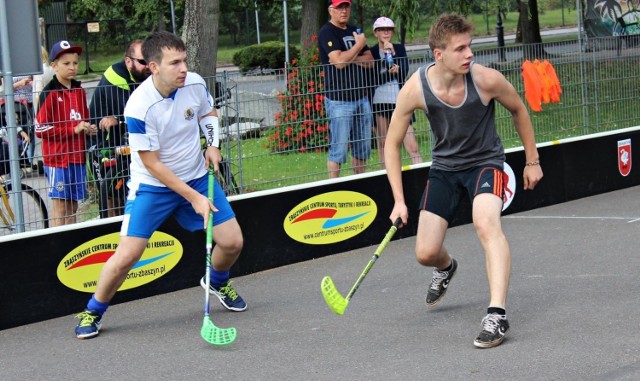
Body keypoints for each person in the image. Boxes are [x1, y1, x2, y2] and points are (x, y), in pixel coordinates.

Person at [74, 31, 247, 340]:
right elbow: (152, 163)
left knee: (233, 242)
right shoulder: (139, 107)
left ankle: (217, 281)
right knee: (127, 255)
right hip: (153, 186)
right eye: (174, 63)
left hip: (195, 174)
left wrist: (213, 144)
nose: (183, 68)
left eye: (184, 61)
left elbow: (208, 112)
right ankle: (94, 310)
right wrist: (194, 197)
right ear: (153, 66)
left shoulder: (193, 83)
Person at [385, 14, 543, 348]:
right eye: (460, 49)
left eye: (469, 46)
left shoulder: (486, 79)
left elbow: (519, 110)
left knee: (486, 225)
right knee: (425, 253)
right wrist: (399, 200)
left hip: (485, 163)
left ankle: (496, 315)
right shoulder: (416, 89)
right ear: (438, 54)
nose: (469, 54)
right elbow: (392, 144)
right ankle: (446, 267)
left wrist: (532, 161)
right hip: (444, 168)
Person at [35, 40, 97, 227]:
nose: (72, 67)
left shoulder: (79, 90)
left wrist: (89, 128)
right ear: (54, 66)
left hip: (77, 157)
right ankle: (56, 244)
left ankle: (70, 244)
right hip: (58, 159)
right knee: (60, 206)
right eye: (66, 63)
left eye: (75, 63)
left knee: (73, 206)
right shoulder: (49, 93)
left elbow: (84, 119)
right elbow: (39, 129)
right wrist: (73, 129)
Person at [88, 39, 151, 217]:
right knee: (113, 198)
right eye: (142, 62)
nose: (147, 66)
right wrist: (116, 117)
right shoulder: (115, 77)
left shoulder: (144, 75)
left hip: (129, 140)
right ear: (128, 61)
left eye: (150, 60)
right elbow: (135, 111)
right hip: (105, 143)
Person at [317, 0, 374, 178]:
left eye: (346, 7)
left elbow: (370, 61)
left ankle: (359, 184)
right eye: (339, 7)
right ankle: (335, 188)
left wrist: (348, 57)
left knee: (362, 147)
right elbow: (339, 62)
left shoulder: (354, 30)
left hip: (361, 98)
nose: (344, 11)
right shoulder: (327, 32)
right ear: (330, 10)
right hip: (339, 100)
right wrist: (358, 46)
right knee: (339, 148)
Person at [369, 16, 422, 168]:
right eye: (382, 30)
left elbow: (403, 72)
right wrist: (388, 72)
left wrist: (393, 54)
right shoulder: (371, 52)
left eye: (389, 30)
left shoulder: (399, 48)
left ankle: (421, 175)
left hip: (399, 100)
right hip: (380, 102)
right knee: (384, 142)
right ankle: (386, 177)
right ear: (376, 33)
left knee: (412, 145)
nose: (386, 33)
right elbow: (372, 79)